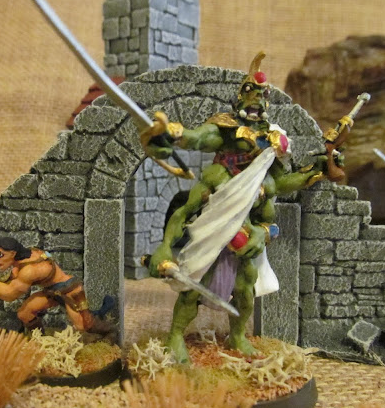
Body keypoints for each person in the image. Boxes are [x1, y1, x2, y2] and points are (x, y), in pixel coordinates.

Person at [146, 52, 346, 363]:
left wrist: (318, 170)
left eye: (262, 94)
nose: (256, 99)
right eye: (250, 91)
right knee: (193, 286)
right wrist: (173, 135)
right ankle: (175, 336)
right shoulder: (216, 174)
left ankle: (237, 336)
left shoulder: (269, 160)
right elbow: (184, 206)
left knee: (245, 289)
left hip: (248, 239)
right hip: (212, 236)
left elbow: (284, 184)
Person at [0, 236, 106, 333]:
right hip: (51, 291)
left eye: (0, 255)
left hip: (69, 289)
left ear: (13, 253)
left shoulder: (29, 270)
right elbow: (12, 281)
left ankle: (108, 332)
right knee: (24, 314)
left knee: (83, 327)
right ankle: (39, 340)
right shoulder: (27, 256)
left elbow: (10, 295)